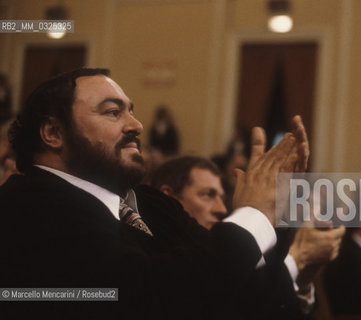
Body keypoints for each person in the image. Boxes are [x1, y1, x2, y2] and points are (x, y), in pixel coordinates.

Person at [0, 68, 310, 320]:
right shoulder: (26, 206)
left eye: (131, 111)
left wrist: (276, 205)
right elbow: (146, 297)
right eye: (112, 113)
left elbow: (235, 281)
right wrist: (253, 213)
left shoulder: (150, 204)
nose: (136, 124)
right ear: (53, 133)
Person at [151, 155, 346, 314]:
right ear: (169, 197)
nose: (221, 208)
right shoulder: (157, 254)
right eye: (207, 195)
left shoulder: (236, 259)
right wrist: (298, 257)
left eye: (222, 197)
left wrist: (302, 278)